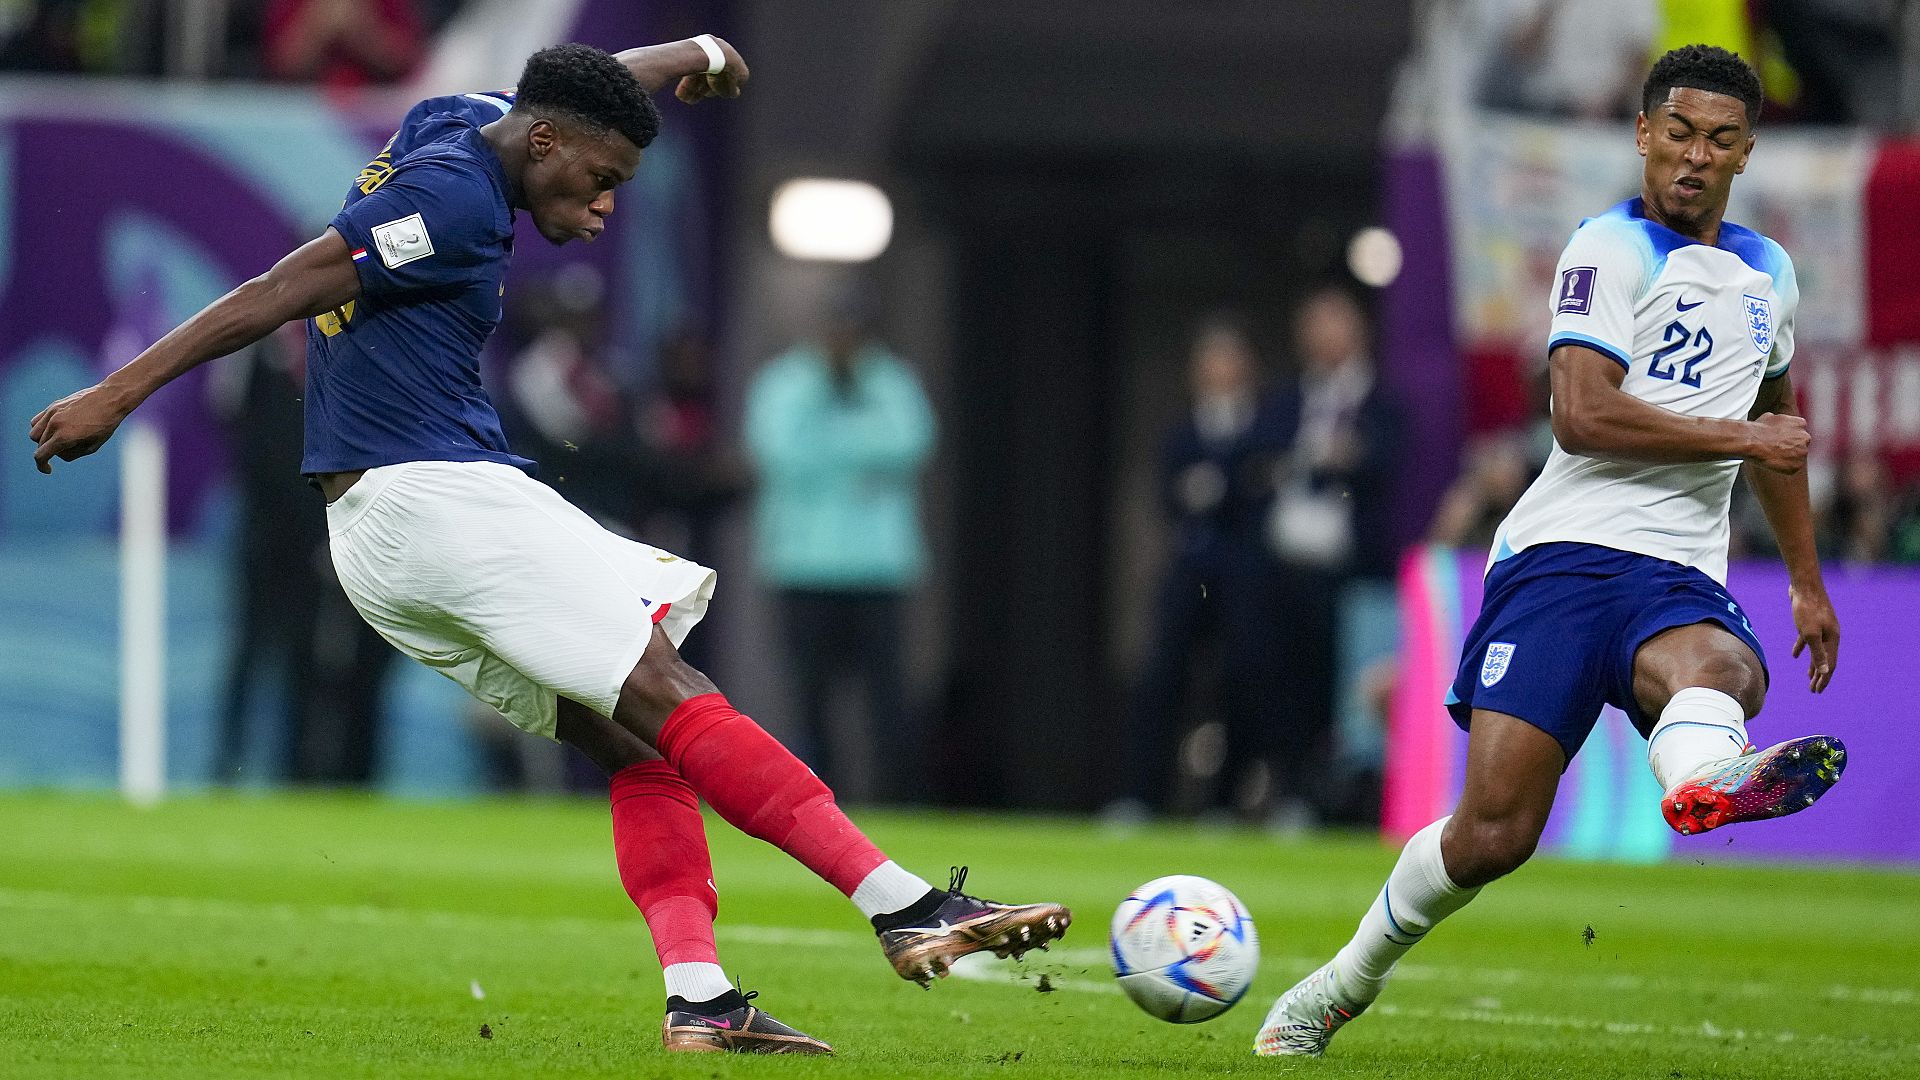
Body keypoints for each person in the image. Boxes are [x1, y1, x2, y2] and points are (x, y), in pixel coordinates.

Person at [28, 37, 1069, 1057]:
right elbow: (285, 284)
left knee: (632, 735)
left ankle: (700, 1000)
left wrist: (698, 51)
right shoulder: (453, 200)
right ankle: (904, 904)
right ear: (549, 144)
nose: (606, 204)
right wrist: (117, 396)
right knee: (666, 684)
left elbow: (597, 78)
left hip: (383, 531)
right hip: (434, 494)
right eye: (601, 180)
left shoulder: (476, 120)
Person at [1256, 45, 1846, 1057]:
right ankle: (1343, 982)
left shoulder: (1769, 273)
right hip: (1562, 559)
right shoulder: (1608, 250)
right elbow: (1581, 415)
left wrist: (1804, 579)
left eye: (1719, 139)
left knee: (1725, 667)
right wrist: (1742, 437)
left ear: (1747, 151)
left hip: (1677, 573)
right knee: (1494, 835)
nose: (1694, 157)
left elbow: (1777, 428)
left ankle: (1701, 783)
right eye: (1678, 134)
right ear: (1643, 134)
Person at [744, 291, 934, 800]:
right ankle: (816, 806)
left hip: (878, 567)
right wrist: (862, 447)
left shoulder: (891, 380)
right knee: (810, 698)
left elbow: (913, 443)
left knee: (887, 698)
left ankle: (900, 802)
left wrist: (829, 444)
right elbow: (781, 452)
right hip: (804, 565)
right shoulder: (785, 382)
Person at [1110, 317, 1289, 821]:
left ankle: (1227, 800)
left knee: (1244, 681)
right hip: (1190, 572)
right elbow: (1172, 496)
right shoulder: (1183, 430)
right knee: (1161, 679)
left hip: (1243, 579)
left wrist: (1219, 488)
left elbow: (1254, 495)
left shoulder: (1263, 427)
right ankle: (1142, 796)